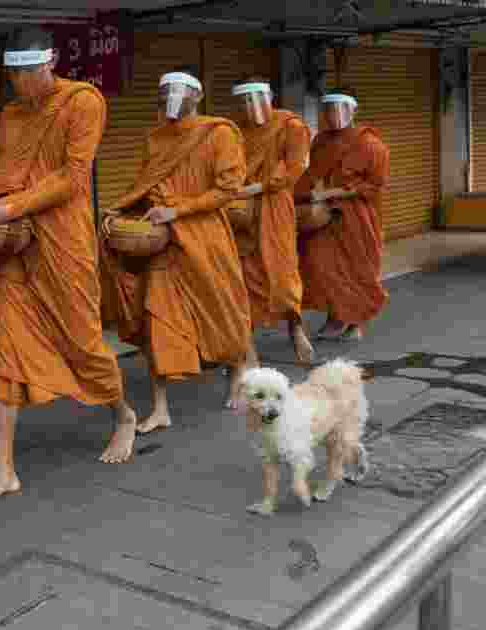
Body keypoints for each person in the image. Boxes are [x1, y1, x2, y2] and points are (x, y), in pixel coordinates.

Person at [0, 27, 137, 509]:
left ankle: (123, 414)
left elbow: (70, 178)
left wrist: (2, 211)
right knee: (8, 348)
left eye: (30, 72)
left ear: (51, 63)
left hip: (64, 240)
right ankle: (4, 471)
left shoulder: (83, 103)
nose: (22, 83)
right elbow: (8, 175)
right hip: (15, 246)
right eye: (14, 75)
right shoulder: (10, 115)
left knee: (82, 340)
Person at [99, 66, 253, 432]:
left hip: (206, 237)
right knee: (157, 319)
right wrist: (122, 209)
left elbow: (228, 188)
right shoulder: (156, 137)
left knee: (221, 310)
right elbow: (147, 185)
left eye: (180, 90)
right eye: (166, 89)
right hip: (163, 242)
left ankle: (237, 373)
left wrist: (179, 210)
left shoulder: (219, 134)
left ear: (197, 96)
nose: (172, 97)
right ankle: (161, 407)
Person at [230, 76, 315, 364]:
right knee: (245, 277)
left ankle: (296, 329)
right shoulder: (237, 131)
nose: (250, 105)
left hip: (276, 208)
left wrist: (257, 187)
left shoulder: (290, 125)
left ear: (271, 96)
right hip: (242, 212)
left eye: (256, 97)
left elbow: (295, 168)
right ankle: (247, 346)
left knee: (282, 272)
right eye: (243, 100)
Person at [294, 88, 390, 341]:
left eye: (341, 107)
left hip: (356, 218)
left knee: (356, 269)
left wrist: (335, 192)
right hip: (321, 217)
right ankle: (337, 317)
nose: (335, 114)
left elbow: (375, 185)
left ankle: (351, 322)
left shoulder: (370, 144)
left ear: (353, 110)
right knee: (323, 268)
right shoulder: (321, 142)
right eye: (330, 108)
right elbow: (310, 175)